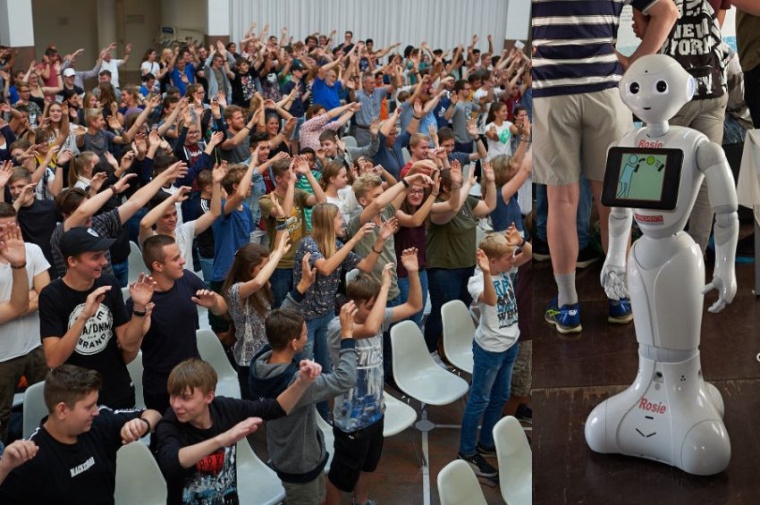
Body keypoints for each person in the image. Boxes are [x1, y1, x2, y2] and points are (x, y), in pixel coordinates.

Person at [532, 0, 678, 333]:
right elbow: (667, 11)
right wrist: (635, 64)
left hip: (550, 91)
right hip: (607, 93)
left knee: (562, 202)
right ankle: (619, 297)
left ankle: (568, 305)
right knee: (613, 201)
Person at [324, 254, 422, 505]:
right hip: (350, 420)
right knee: (340, 476)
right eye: (372, 304)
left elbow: (414, 306)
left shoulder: (376, 317)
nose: (376, 309)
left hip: (375, 413)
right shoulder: (339, 327)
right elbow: (368, 329)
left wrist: (412, 271)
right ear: (354, 305)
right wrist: (385, 286)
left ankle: (362, 500)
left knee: (368, 466)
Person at [155, 357, 321, 505]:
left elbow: (275, 408)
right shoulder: (169, 424)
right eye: (172, 396)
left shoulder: (224, 408)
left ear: (209, 397)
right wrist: (222, 439)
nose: (175, 404)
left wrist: (302, 383)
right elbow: (171, 462)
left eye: (185, 398)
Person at [0, 365, 162, 504]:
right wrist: (4, 466)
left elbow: (153, 415)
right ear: (62, 410)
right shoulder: (31, 455)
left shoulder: (100, 424)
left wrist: (143, 424)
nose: (96, 411)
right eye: (88, 407)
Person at [249, 301, 358, 505]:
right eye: (305, 335)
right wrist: (347, 335)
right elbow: (346, 378)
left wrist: (299, 290)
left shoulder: (259, 364)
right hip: (301, 465)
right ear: (294, 344)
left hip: (282, 453)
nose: (308, 338)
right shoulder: (298, 385)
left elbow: (277, 321)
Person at [39, 227, 155, 409]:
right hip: (77, 400)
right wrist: (84, 317)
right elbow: (53, 359)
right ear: (72, 261)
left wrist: (139, 310)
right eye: (95, 257)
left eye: (102, 255)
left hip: (117, 390)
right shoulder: (51, 296)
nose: (103, 261)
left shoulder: (109, 283)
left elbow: (127, 344)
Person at [458, 227, 532, 477]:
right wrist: (488, 273)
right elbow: (490, 300)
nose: (513, 259)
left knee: (501, 396)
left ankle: (486, 442)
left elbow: (529, 254)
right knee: (479, 400)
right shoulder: (477, 280)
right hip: (489, 350)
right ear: (491, 262)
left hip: (510, 345)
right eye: (508, 257)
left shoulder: (505, 268)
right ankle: (466, 451)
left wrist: (519, 241)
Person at [129, 235, 228, 413]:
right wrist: (140, 315)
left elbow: (221, 308)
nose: (183, 261)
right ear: (158, 266)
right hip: (162, 388)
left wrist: (214, 303)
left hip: (194, 377)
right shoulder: (138, 301)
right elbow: (128, 348)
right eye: (175, 259)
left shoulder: (187, 279)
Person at [221, 231, 291, 398]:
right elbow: (258, 281)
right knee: (253, 406)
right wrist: (278, 253)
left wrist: (280, 240)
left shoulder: (262, 284)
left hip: (266, 351)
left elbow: (272, 254)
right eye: (262, 268)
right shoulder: (236, 290)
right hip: (248, 359)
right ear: (248, 270)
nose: (267, 270)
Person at [0, 215, 42, 444]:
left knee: (45, 405)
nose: (7, 233)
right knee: (2, 416)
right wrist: (27, 300)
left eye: (12, 226)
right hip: (2, 356)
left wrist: (12, 307)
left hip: (36, 345)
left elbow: (45, 296)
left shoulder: (32, 250)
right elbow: (22, 304)